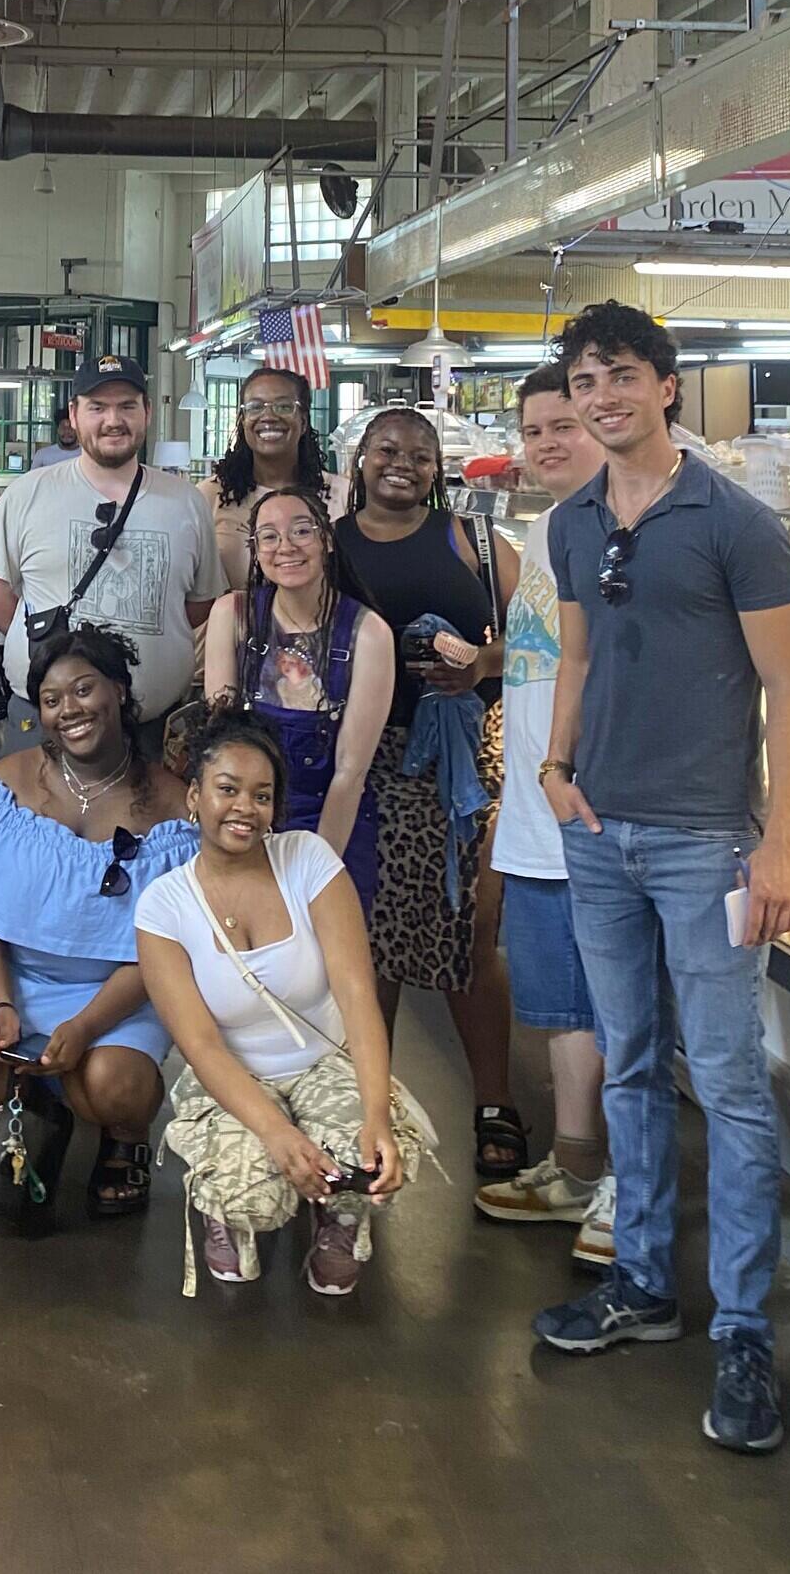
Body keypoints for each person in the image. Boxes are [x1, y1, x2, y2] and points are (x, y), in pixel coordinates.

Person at [535, 301, 790, 1457]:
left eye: (620, 376)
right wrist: (554, 767)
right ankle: (644, 1286)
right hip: (598, 829)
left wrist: (781, 841)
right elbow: (577, 653)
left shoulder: (737, 523)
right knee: (634, 1062)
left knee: (734, 1088)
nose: (601, 396)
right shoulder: (573, 519)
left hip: (707, 841)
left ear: (667, 384)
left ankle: (745, 1330)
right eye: (585, 379)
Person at [137, 710, 417, 1297]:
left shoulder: (308, 860)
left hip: (322, 1060)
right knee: (254, 1194)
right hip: (234, 1073)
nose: (246, 808)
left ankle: (339, 1220)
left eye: (262, 796)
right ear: (193, 795)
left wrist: (375, 1117)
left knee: (366, 1161)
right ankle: (228, 1209)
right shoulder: (163, 907)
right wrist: (276, 1133)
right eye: (228, 789)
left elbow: (358, 997)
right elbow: (200, 1047)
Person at [0, 623, 195, 1218]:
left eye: (84, 690)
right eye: (51, 700)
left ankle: (124, 1136)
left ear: (120, 693)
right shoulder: (4, 784)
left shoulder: (175, 804)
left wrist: (84, 1025)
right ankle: (39, 1108)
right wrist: (1, 1003)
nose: (68, 710)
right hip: (16, 980)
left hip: (122, 991)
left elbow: (164, 949)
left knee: (110, 1085)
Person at [334, 407, 523, 1182]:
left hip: (463, 771)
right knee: (367, 941)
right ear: (360, 461)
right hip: (360, 762)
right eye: (386, 450)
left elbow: (540, 642)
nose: (401, 463)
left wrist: (481, 666)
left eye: (418, 453)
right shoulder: (329, 543)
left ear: (437, 467)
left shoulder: (475, 542)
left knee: (469, 936)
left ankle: (494, 1102)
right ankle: (363, 1105)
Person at [474, 367, 614, 1266]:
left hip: (593, 814)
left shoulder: (618, 527)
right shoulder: (551, 526)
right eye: (532, 430)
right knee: (562, 1007)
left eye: (563, 424)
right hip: (533, 816)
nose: (545, 444)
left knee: (615, 1009)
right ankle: (574, 1166)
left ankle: (623, 1187)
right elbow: (542, 664)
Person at [0, 354, 224, 753]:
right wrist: (48, 645)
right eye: (98, 407)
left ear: (146, 411)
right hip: (42, 723)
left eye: (127, 406)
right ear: (74, 414)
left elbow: (197, 604)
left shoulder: (187, 503)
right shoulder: (27, 493)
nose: (113, 420)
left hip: (151, 733)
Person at [202, 486, 393, 909]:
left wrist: (314, 878)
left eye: (301, 531)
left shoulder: (369, 633)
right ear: (255, 550)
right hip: (244, 818)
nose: (285, 546)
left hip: (331, 825)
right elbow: (222, 749)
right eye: (268, 536)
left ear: (326, 538)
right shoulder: (232, 615)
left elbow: (349, 773)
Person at [204, 366, 346, 590]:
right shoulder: (208, 496)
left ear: (304, 422)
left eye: (284, 406)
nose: (268, 416)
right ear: (242, 420)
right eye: (255, 407)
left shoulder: (343, 494)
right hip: (234, 623)